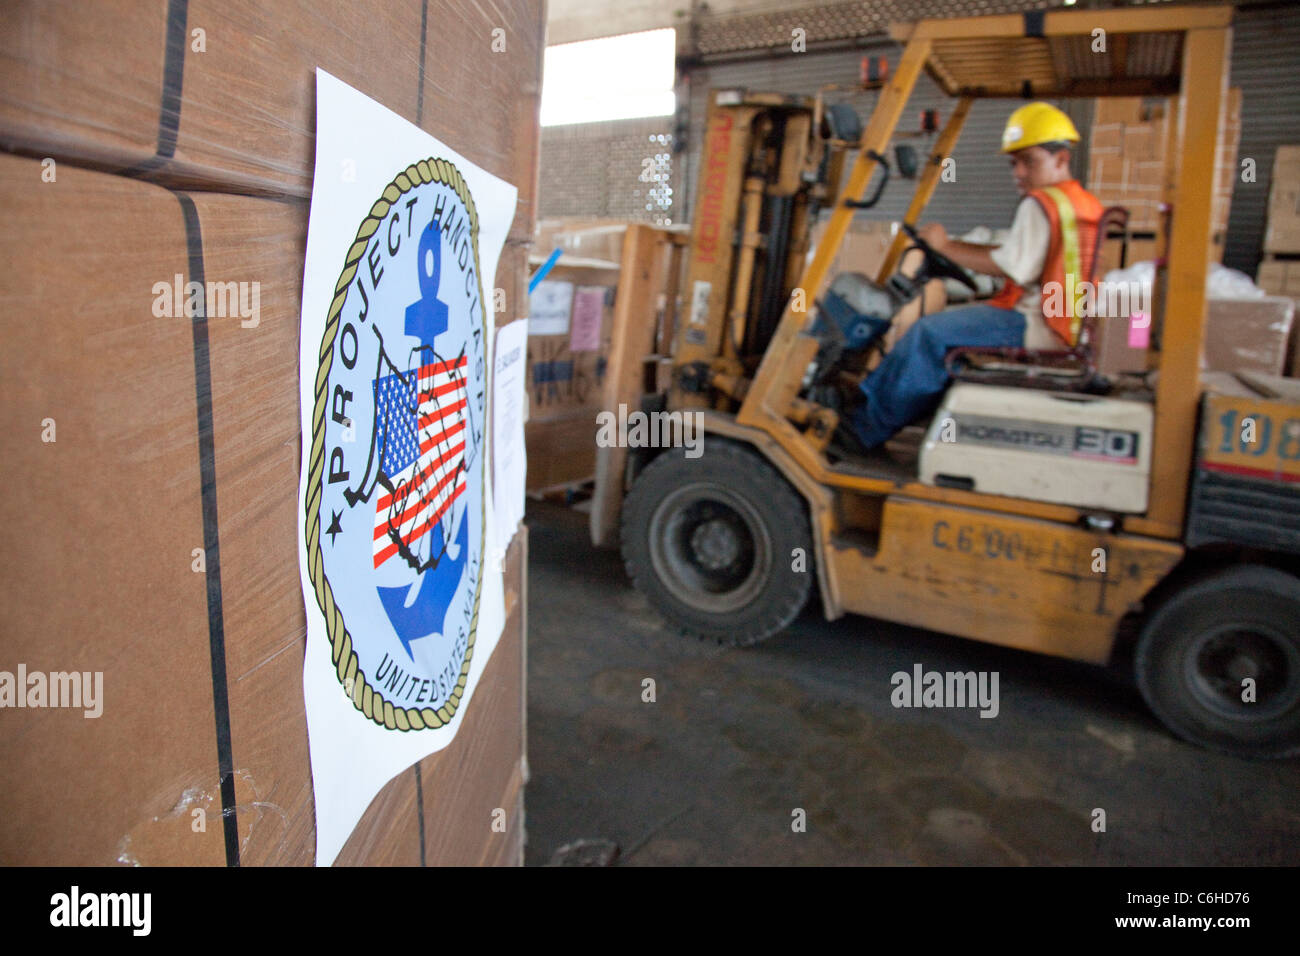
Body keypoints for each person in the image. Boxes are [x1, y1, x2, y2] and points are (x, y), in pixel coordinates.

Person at [836, 102, 1103, 454]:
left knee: (929, 333)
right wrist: (950, 251)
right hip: (1065, 322)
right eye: (1014, 163)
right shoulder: (1082, 203)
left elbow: (1011, 267)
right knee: (945, 334)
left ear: (1061, 160)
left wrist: (944, 246)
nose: (1019, 173)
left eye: (1030, 161)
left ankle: (861, 430)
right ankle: (900, 411)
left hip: (1039, 325)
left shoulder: (1042, 204)